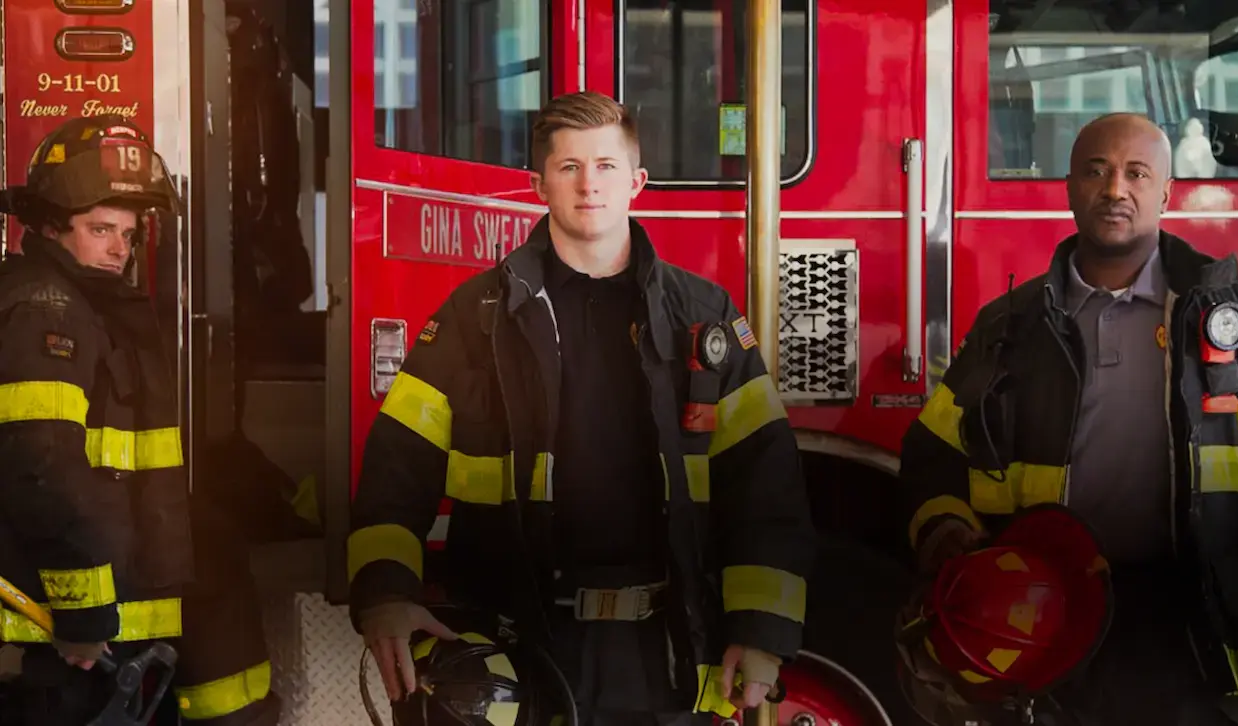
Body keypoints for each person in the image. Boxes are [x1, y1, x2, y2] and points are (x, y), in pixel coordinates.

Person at [347, 91, 816, 726]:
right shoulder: (475, 318)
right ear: (539, 185)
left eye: (605, 166)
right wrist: (385, 593)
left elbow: (766, 483)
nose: (588, 184)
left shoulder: (704, 319)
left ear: (637, 182)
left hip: (667, 652)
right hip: (515, 642)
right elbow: (395, 466)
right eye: (569, 168)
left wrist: (761, 633)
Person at [899, 112, 1238, 725]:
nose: (1116, 189)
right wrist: (945, 529)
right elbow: (933, 451)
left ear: (1166, 193)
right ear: (1069, 187)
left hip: (1201, 629)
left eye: (1137, 174)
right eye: (1097, 171)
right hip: (1053, 623)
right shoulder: (1009, 326)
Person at [0, 115, 280, 725]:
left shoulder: (86, 306)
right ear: (51, 224)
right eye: (101, 229)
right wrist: (80, 620)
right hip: (63, 631)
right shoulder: (48, 313)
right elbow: (44, 473)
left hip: (106, 609)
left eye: (128, 234)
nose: (119, 250)